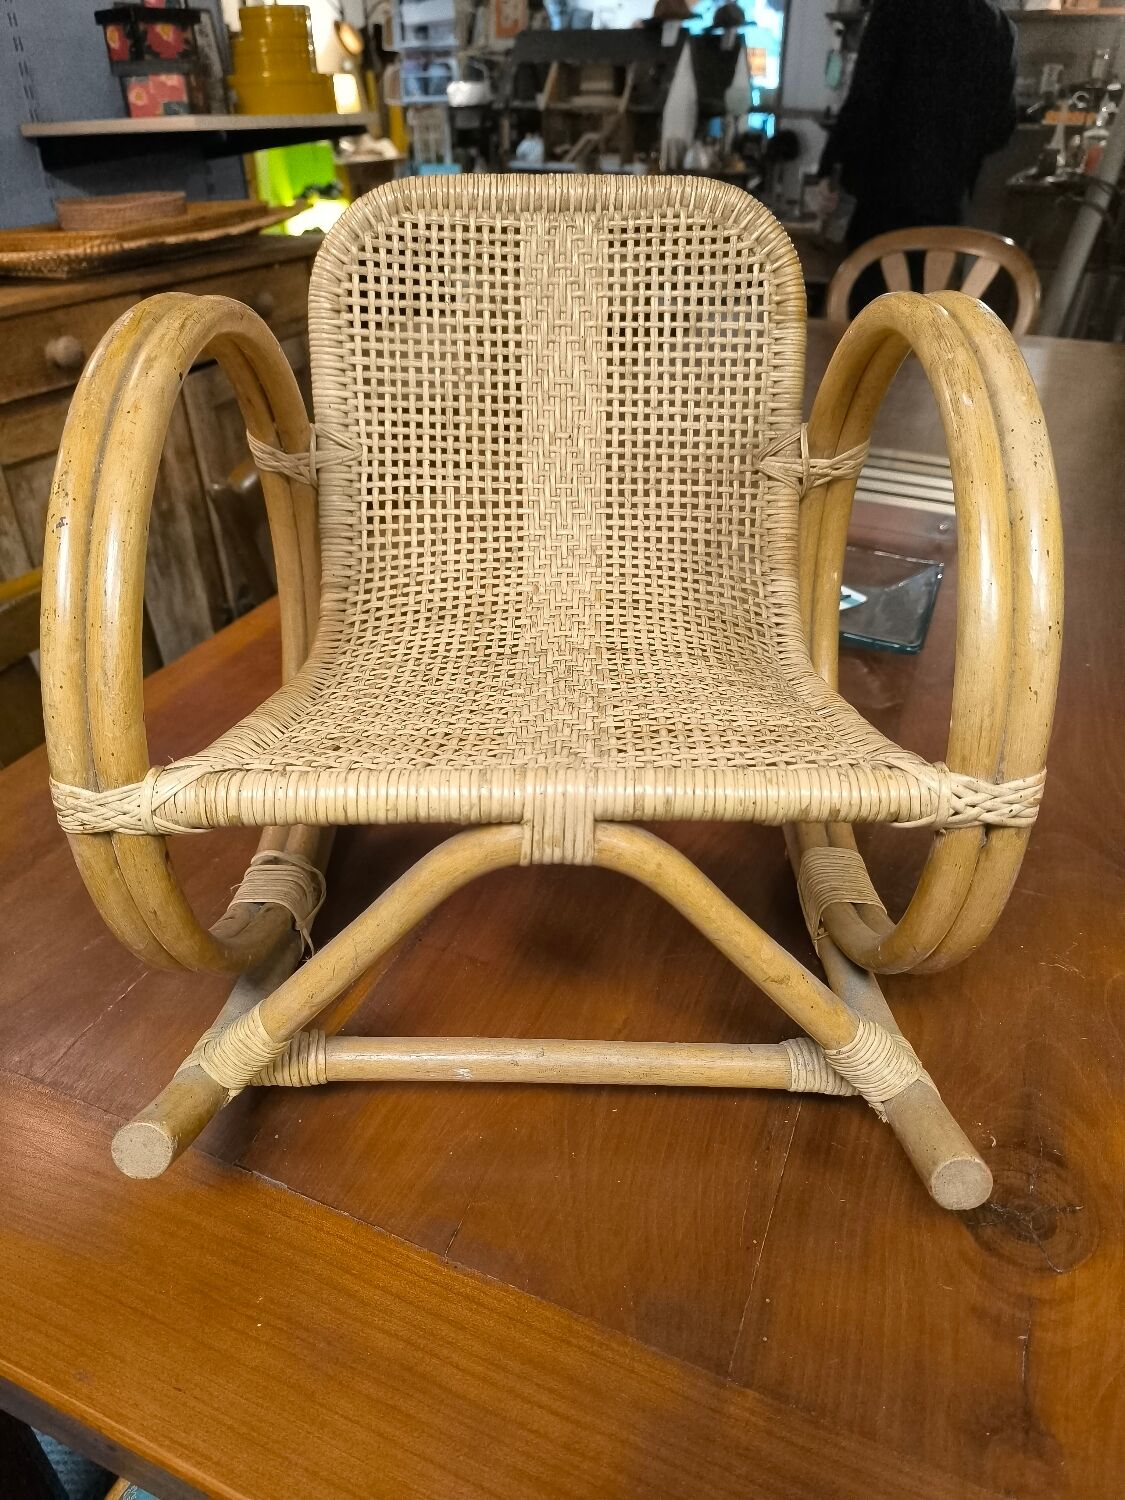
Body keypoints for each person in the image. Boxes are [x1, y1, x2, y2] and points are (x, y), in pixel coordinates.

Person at [818, 0, 1017, 264]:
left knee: (875, 285)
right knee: (931, 287)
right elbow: (1000, 129)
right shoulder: (999, 26)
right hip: (947, 204)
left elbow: (864, 101)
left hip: (882, 198)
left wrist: (830, 166)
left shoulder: (896, 8)